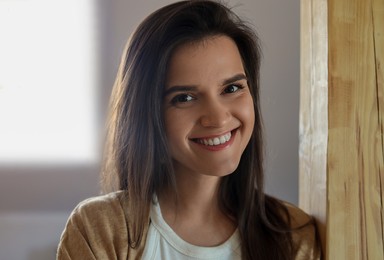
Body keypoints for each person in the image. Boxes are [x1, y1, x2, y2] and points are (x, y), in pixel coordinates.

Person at [57, 1, 321, 259]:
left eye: (231, 88)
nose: (217, 118)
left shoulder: (294, 235)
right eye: (184, 97)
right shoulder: (97, 229)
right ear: (148, 114)